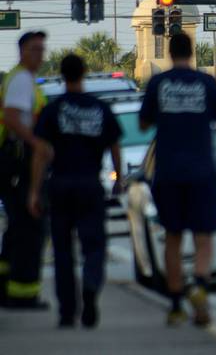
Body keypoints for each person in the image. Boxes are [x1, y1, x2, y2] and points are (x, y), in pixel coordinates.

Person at [138, 33, 216, 327]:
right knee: (203, 236)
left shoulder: (158, 84)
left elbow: (143, 124)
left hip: (167, 171)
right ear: (192, 51)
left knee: (172, 237)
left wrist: (165, 114)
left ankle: (175, 305)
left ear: (169, 53)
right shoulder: (206, 83)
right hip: (201, 171)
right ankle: (199, 285)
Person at [28, 54, 122, 328]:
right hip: (90, 185)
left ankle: (67, 311)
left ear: (62, 74)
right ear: (83, 73)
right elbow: (115, 145)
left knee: (63, 250)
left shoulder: (54, 110)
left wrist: (34, 191)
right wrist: (119, 179)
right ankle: (91, 286)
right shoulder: (99, 108)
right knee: (94, 245)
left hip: (60, 185)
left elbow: (41, 153)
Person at [0, 31, 48, 309]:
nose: (39, 55)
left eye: (42, 49)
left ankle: (8, 289)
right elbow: (11, 117)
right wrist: (37, 143)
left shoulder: (23, 79)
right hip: (20, 159)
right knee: (30, 227)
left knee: (17, 228)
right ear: (21, 52)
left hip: (17, 159)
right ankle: (23, 294)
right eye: (34, 49)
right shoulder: (20, 80)